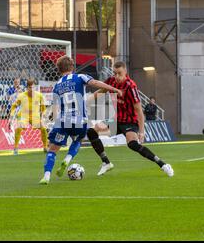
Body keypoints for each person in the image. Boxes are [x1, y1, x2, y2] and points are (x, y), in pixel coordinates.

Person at [39, 56, 122, 185]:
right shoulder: (80, 77)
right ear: (72, 67)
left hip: (62, 121)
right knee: (78, 140)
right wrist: (113, 89)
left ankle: (46, 176)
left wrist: (54, 122)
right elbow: (94, 83)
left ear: (59, 69)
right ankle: (67, 159)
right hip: (79, 120)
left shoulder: (57, 85)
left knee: (52, 150)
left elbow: (55, 109)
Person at [86, 61, 174, 177]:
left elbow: (139, 111)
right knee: (91, 132)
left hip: (130, 121)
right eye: (115, 73)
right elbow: (102, 90)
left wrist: (142, 131)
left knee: (132, 144)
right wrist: (88, 99)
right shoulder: (111, 81)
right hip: (115, 120)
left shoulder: (131, 86)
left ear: (125, 72)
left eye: (119, 73)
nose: (116, 76)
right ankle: (106, 162)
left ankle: (163, 164)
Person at [9, 79, 48, 155]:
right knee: (18, 128)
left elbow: (43, 108)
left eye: (33, 87)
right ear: (27, 88)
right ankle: (16, 148)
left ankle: (45, 147)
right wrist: (11, 116)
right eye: (30, 87)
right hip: (24, 116)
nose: (32, 89)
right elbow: (14, 106)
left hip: (35, 117)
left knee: (43, 128)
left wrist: (43, 117)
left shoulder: (39, 95)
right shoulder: (21, 96)